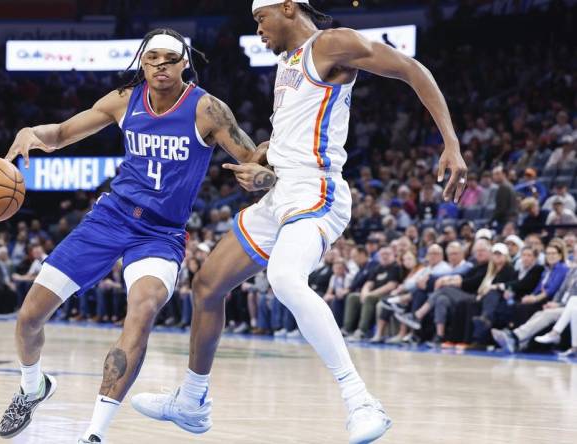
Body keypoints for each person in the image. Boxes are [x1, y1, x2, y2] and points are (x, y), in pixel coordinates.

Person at [131, 2, 467, 443]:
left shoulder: (330, 44)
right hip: (279, 194)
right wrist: (263, 158)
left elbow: (412, 69)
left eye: (260, 19)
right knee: (208, 285)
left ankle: (362, 402)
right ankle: (192, 402)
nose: (258, 31)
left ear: (288, 7)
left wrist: (451, 145)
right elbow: (292, 134)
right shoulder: (288, 64)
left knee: (285, 278)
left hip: (316, 190)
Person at [0, 28, 271, 443]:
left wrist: (262, 175)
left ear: (184, 64)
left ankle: (94, 434)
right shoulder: (123, 101)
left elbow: (253, 160)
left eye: (169, 59)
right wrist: (34, 133)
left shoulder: (208, 110)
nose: (160, 65)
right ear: (142, 63)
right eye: (152, 58)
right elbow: (63, 133)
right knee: (29, 318)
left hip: (160, 234)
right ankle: (32, 387)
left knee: (141, 312)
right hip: (110, 218)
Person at [343, 247, 401, 341]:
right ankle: (347, 329)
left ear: (393, 255)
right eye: (382, 254)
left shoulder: (395, 267)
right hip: (373, 295)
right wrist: (364, 292)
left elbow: (391, 285)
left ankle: (362, 331)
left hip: (387, 295)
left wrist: (370, 294)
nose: (385, 256)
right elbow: (368, 283)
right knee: (352, 297)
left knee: (369, 298)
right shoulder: (378, 267)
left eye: (387, 254)